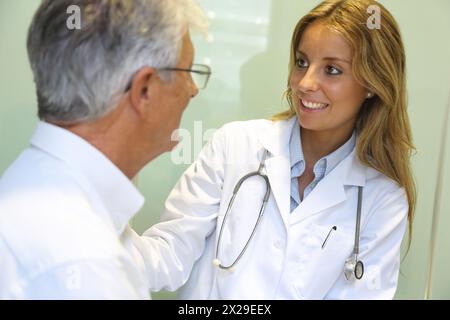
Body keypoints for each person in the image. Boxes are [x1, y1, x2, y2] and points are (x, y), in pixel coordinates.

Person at [135, 0, 416, 299]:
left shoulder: (382, 197)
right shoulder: (234, 145)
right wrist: (95, 223)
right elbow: (167, 255)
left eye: (332, 70)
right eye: (302, 62)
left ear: (373, 83)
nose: (305, 83)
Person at [0, 0, 210, 299]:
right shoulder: (89, 266)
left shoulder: (28, 181)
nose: (193, 90)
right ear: (145, 90)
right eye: (187, 71)